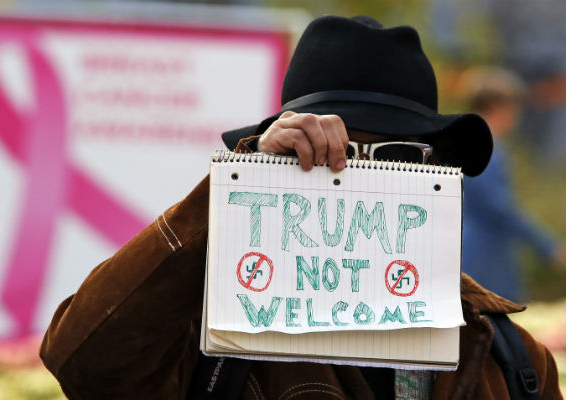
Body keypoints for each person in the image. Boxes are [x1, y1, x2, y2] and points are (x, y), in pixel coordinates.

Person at [39, 16, 561, 399]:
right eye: (328, 154)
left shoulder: (510, 356)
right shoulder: (213, 339)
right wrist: (234, 195)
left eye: (399, 155)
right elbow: (85, 365)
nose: (362, 179)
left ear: (438, 171)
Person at [460, 66, 563, 302]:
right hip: (483, 256)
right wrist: (547, 245)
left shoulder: (465, 144)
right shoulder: (488, 149)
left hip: (474, 250)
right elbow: (500, 208)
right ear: (500, 107)